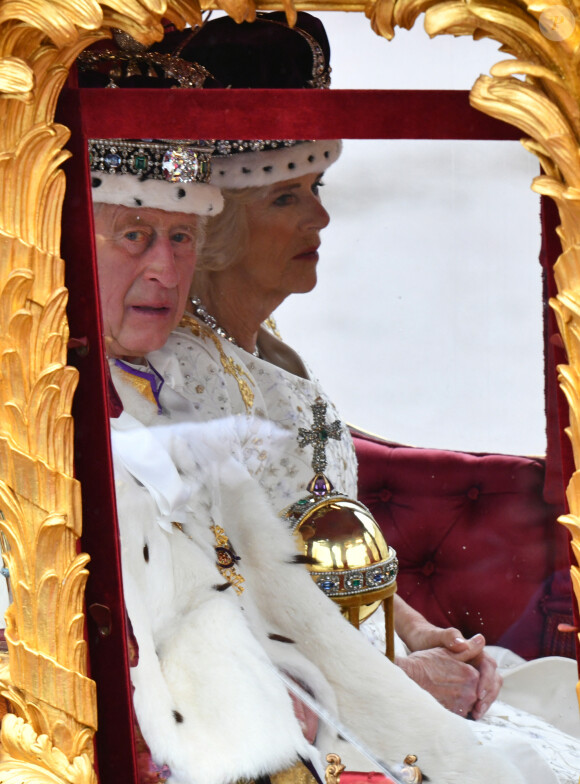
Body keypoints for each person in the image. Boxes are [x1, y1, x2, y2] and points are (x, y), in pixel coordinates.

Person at [92, 139, 538, 784]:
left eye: (181, 237)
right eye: (135, 235)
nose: (164, 266)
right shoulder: (80, 408)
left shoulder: (170, 388)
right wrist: (386, 684)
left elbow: (279, 570)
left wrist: (405, 640)